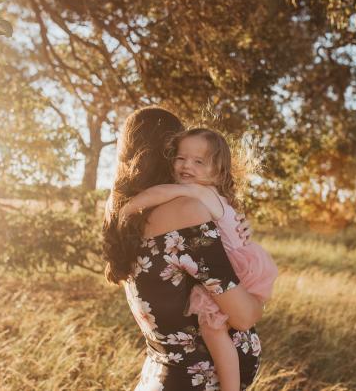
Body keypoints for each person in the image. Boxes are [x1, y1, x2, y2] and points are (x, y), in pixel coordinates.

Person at [103, 107, 264, 390]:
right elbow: (243, 315)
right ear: (167, 152)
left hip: (159, 374)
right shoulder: (187, 210)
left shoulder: (125, 214)